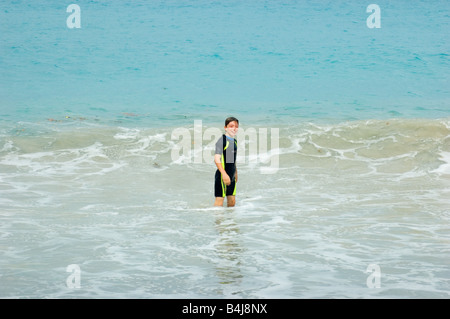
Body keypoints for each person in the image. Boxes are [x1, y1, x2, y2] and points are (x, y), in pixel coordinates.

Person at [214, 117, 239, 207]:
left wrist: (235, 172)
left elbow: (232, 159)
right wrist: (224, 175)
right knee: (219, 203)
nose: (234, 128)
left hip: (231, 175)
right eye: (231, 126)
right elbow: (216, 159)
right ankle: (217, 221)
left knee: (232, 202)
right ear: (225, 128)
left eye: (236, 126)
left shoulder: (234, 141)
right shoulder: (222, 141)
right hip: (222, 176)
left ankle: (229, 221)